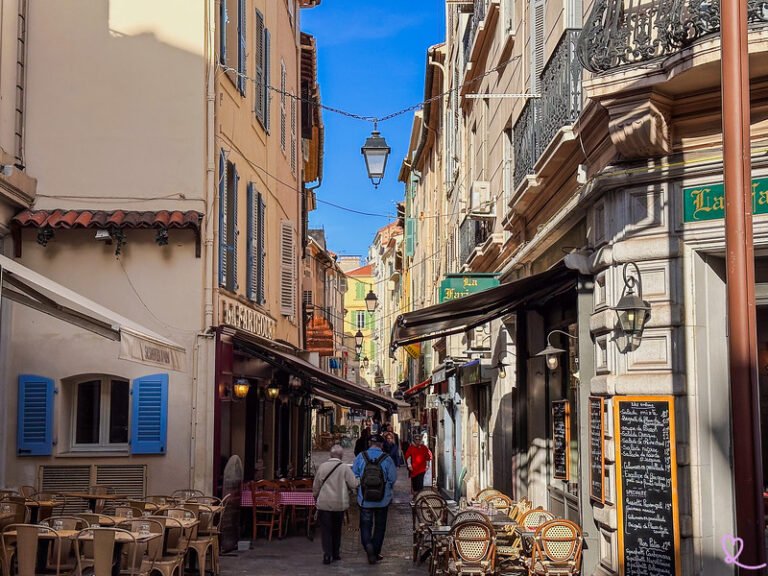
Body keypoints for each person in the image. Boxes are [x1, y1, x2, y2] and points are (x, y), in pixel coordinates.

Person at [352, 433, 397, 564]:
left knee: (365, 525)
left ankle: (368, 547)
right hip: (382, 500)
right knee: (380, 527)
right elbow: (393, 478)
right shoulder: (387, 458)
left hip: (365, 499)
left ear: (369, 444)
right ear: (382, 445)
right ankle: (375, 552)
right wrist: (386, 488)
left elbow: (354, 476)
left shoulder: (361, 457)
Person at [313, 444, 359, 565]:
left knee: (326, 530)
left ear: (330, 454)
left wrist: (316, 497)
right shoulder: (344, 468)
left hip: (324, 503)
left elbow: (316, 486)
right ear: (341, 456)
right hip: (339, 504)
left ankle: (327, 554)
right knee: (337, 529)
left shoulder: (322, 467)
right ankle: (336, 553)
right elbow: (354, 484)